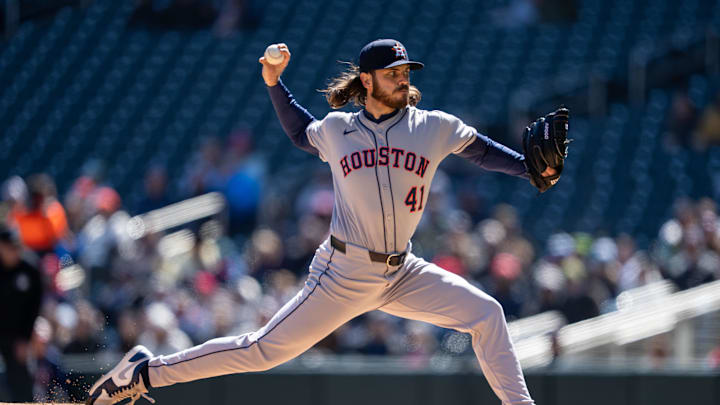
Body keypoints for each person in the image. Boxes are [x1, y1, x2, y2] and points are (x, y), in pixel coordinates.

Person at [86, 39, 562, 405]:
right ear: (367, 80)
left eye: (405, 71)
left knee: (487, 314)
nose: (402, 78)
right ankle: (144, 373)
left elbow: (480, 151)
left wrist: (529, 168)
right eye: (392, 72)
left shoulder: (433, 126)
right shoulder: (339, 129)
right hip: (342, 273)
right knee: (261, 351)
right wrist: (273, 81)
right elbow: (298, 130)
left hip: (403, 271)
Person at [0, 224, 43, 402]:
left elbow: (35, 307)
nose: (15, 251)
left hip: (18, 335)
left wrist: (25, 338)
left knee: (21, 380)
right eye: (10, 247)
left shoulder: (29, 268)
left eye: (17, 247)